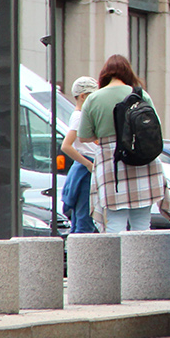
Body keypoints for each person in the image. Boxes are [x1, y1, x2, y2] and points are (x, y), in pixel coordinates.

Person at [72, 55, 164, 232]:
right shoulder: (140, 95)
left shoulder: (94, 98)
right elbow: (156, 127)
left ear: (105, 75)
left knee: (115, 223)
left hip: (111, 162)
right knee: (142, 224)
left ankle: (118, 260)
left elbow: (83, 136)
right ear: (128, 72)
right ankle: (142, 260)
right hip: (142, 158)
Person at [59, 76, 100, 234]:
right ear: (83, 96)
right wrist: (88, 164)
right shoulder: (80, 116)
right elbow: (66, 146)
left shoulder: (80, 115)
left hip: (84, 168)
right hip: (85, 169)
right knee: (84, 217)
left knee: (82, 217)